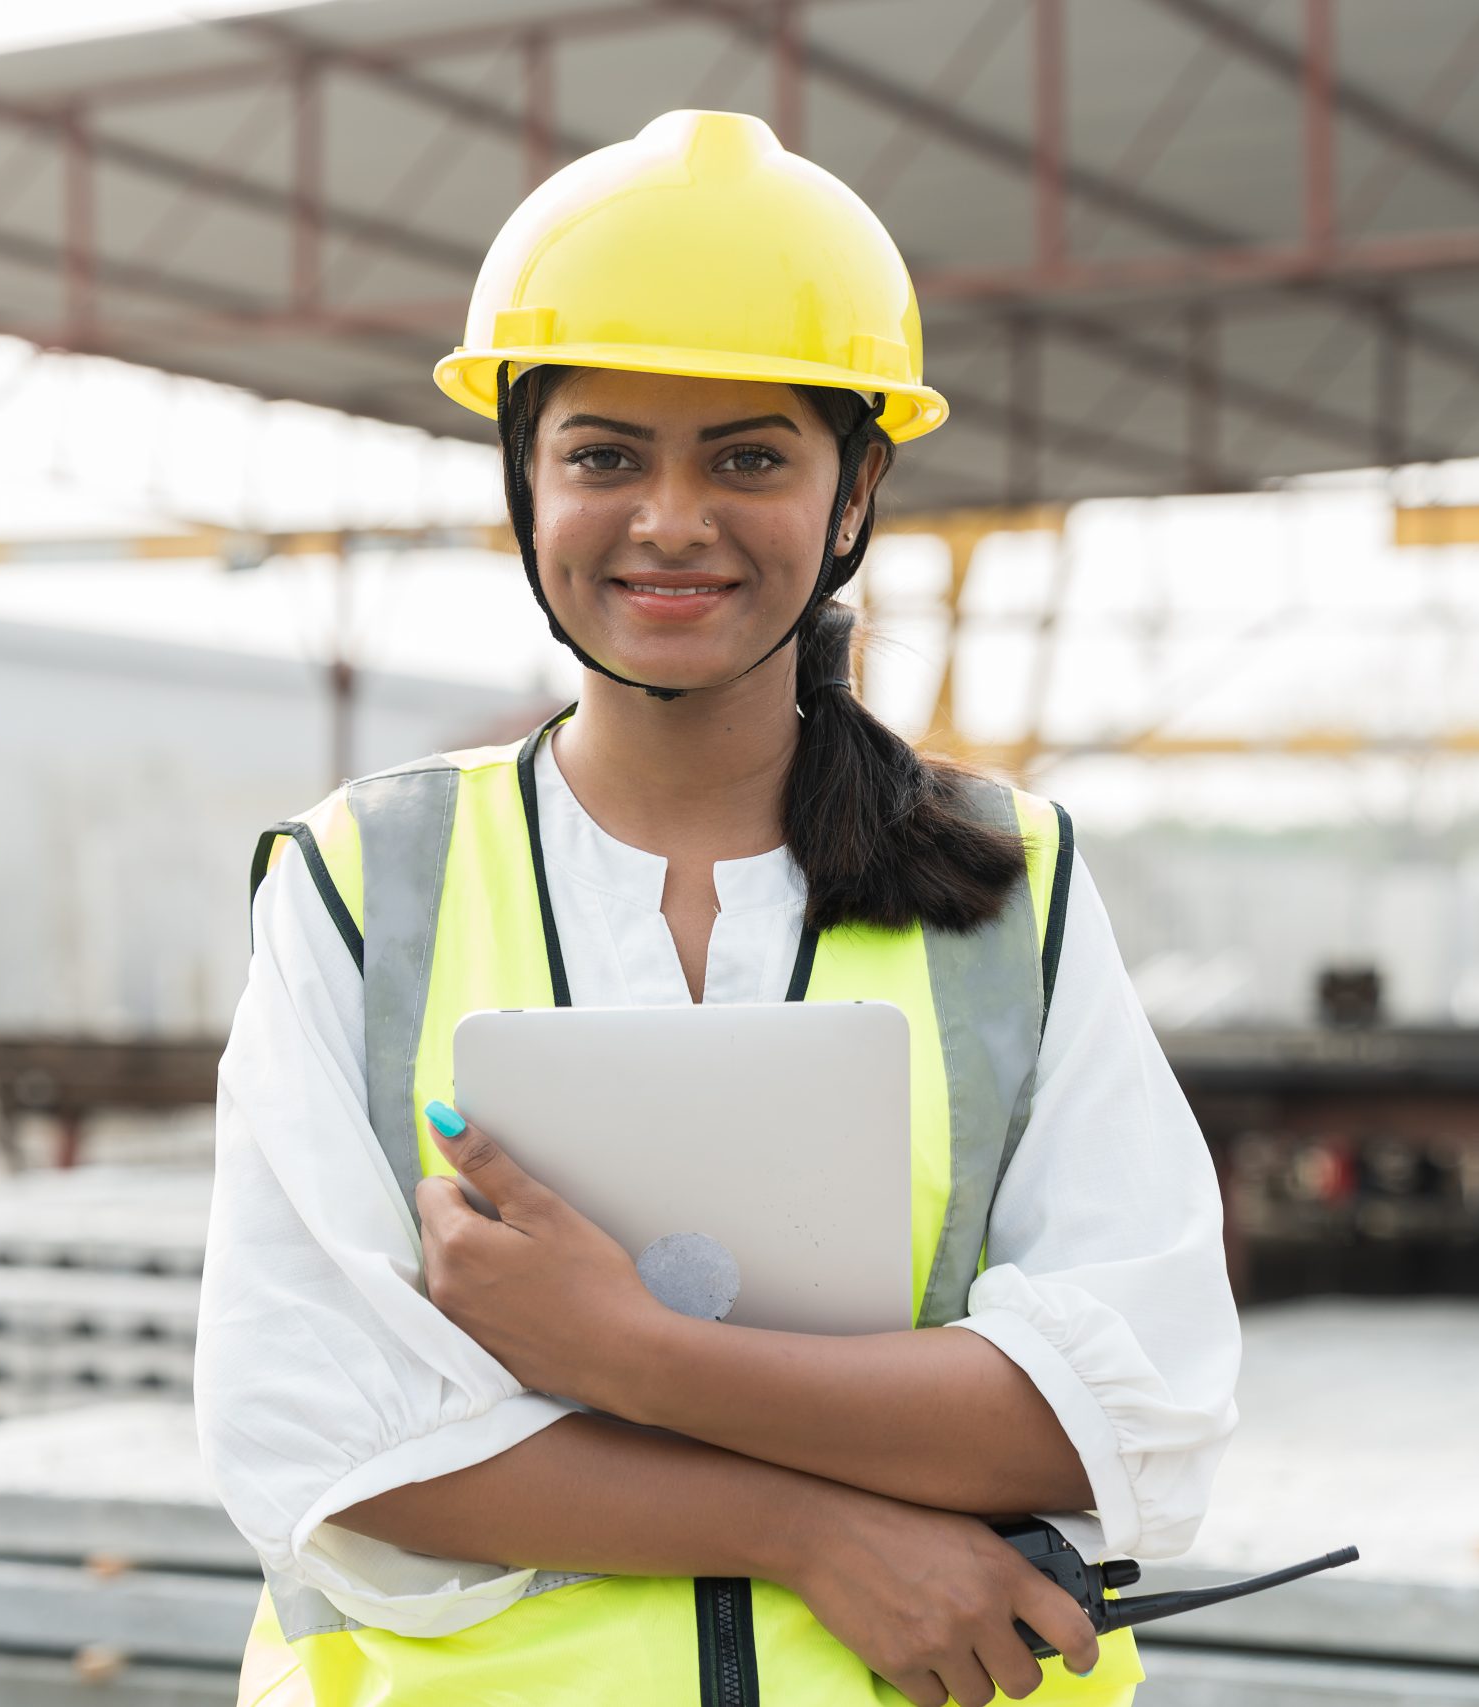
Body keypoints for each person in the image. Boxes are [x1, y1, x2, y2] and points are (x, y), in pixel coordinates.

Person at [196, 109, 1240, 1707]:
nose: (671, 519)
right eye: (604, 454)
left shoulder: (1011, 887)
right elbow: (323, 1437)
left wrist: (625, 1355)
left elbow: (1122, 1402)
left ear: (854, 489)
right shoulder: (360, 883)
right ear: (523, 481)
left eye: (748, 456)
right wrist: (822, 1532)